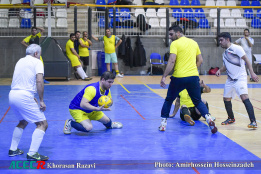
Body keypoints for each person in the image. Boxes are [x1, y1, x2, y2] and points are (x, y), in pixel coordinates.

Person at [159, 25, 217, 134]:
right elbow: (200, 60)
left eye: (171, 34)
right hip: (193, 77)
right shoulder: (194, 43)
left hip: (178, 77)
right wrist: (191, 70)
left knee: (168, 100)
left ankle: (163, 124)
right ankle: (209, 119)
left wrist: (164, 76)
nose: (170, 37)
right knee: (198, 101)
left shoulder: (175, 43)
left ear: (178, 33)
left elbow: (171, 61)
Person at [8, 44, 48, 161]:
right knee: (42, 124)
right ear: (36, 53)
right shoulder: (37, 62)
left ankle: (13, 149)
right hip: (24, 96)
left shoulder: (20, 60)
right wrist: (41, 100)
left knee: (23, 121)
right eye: (40, 54)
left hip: (13, 95)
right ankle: (32, 153)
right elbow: (39, 81)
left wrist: (31, 96)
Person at [216, 32, 259, 128]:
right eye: (219, 40)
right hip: (230, 79)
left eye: (221, 40)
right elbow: (226, 66)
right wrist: (220, 70)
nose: (220, 42)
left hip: (240, 78)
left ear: (227, 39)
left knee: (244, 97)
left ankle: (253, 122)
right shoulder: (225, 53)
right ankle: (231, 118)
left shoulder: (237, 48)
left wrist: (251, 73)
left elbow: (247, 60)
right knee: (226, 98)